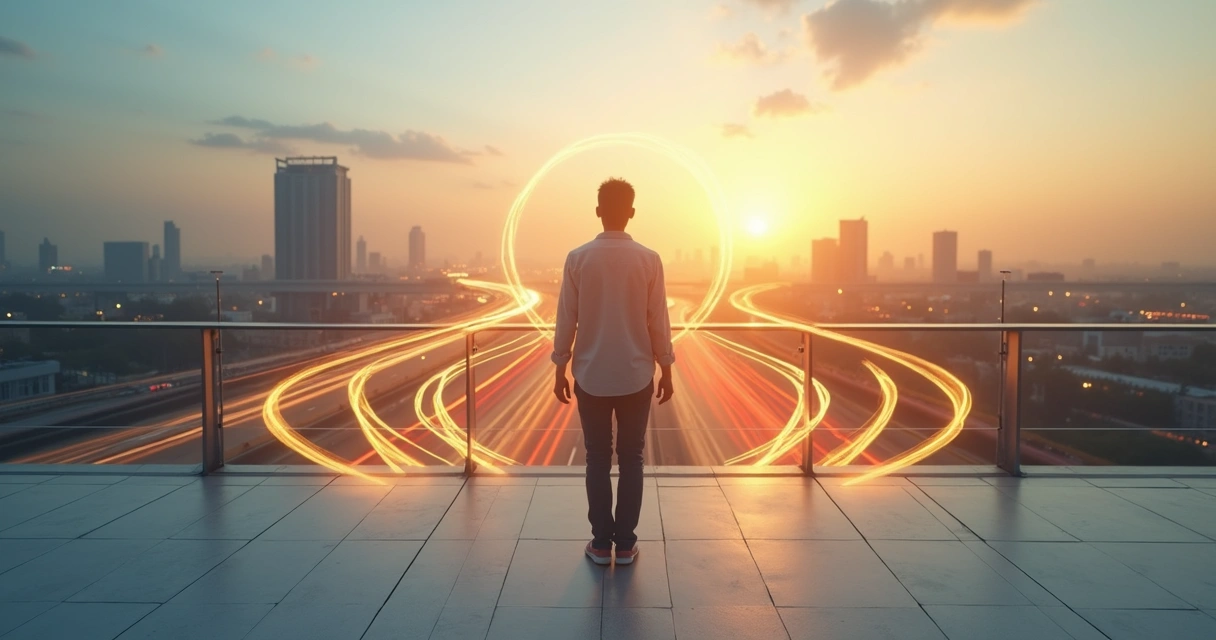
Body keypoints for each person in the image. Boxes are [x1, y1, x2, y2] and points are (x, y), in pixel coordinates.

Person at [552, 177, 675, 567]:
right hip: (637, 374)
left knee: (597, 459)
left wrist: (560, 366)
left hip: (591, 374)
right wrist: (666, 367)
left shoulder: (578, 258)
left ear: (598, 210)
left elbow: (566, 319)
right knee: (632, 458)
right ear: (632, 212)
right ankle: (626, 544)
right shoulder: (649, 259)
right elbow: (659, 320)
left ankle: (600, 543)